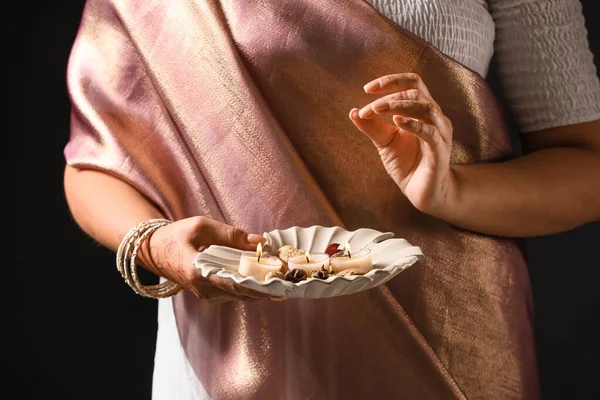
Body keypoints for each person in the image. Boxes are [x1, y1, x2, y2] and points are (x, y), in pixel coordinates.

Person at [62, 0, 600, 398]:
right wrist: (156, 246)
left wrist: (451, 189)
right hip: (238, 344)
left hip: (454, 338)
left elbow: (586, 164)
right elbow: (94, 164)